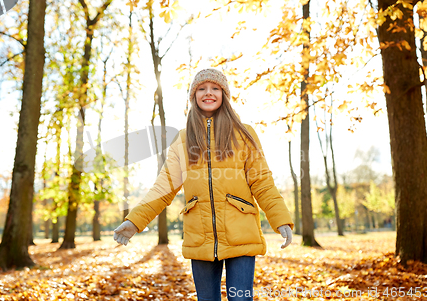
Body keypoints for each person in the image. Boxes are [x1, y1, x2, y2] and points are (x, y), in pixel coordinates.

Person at [113, 68, 294, 301]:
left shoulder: (244, 133)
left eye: (215, 88)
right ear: (194, 96)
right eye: (202, 89)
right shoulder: (183, 139)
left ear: (224, 95)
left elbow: (262, 182)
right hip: (200, 236)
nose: (208, 93)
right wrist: (134, 221)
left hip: (241, 233)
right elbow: (163, 187)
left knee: (240, 299)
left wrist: (280, 219)